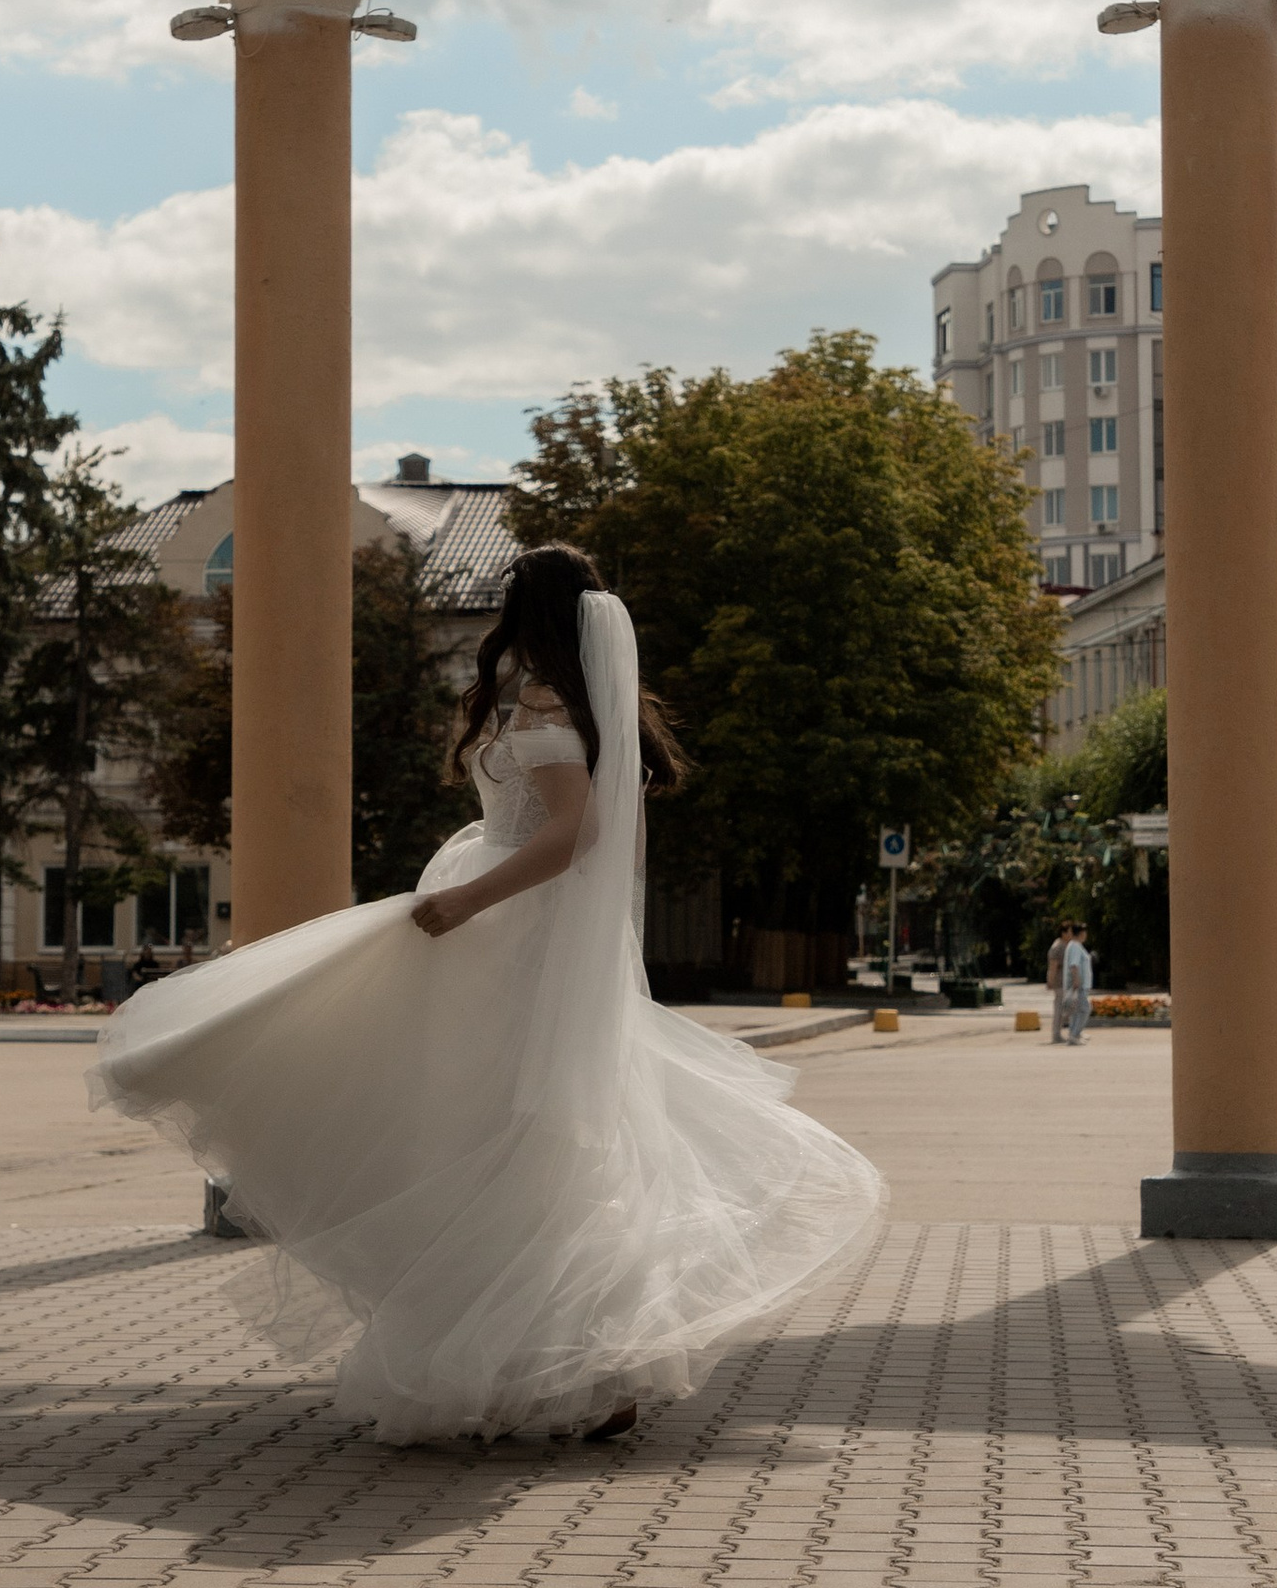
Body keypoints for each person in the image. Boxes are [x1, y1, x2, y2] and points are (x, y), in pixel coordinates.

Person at [92, 543, 885, 1446]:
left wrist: (470, 896)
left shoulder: (546, 707)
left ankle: (564, 1362)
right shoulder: (568, 704)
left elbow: (574, 833)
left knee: (494, 1134)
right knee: (513, 1137)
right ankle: (579, 1365)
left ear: (529, 609)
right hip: (521, 930)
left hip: (509, 930)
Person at [1048, 919, 1094, 1046]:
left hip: (1078, 985)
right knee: (1085, 1009)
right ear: (1080, 933)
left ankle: (1074, 1034)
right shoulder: (1074, 946)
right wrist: (1076, 980)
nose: (1086, 935)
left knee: (1076, 1010)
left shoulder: (1075, 946)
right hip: (1077, 985)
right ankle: (1074, 1034)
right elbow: (1074, 965)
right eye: (1084, 932)